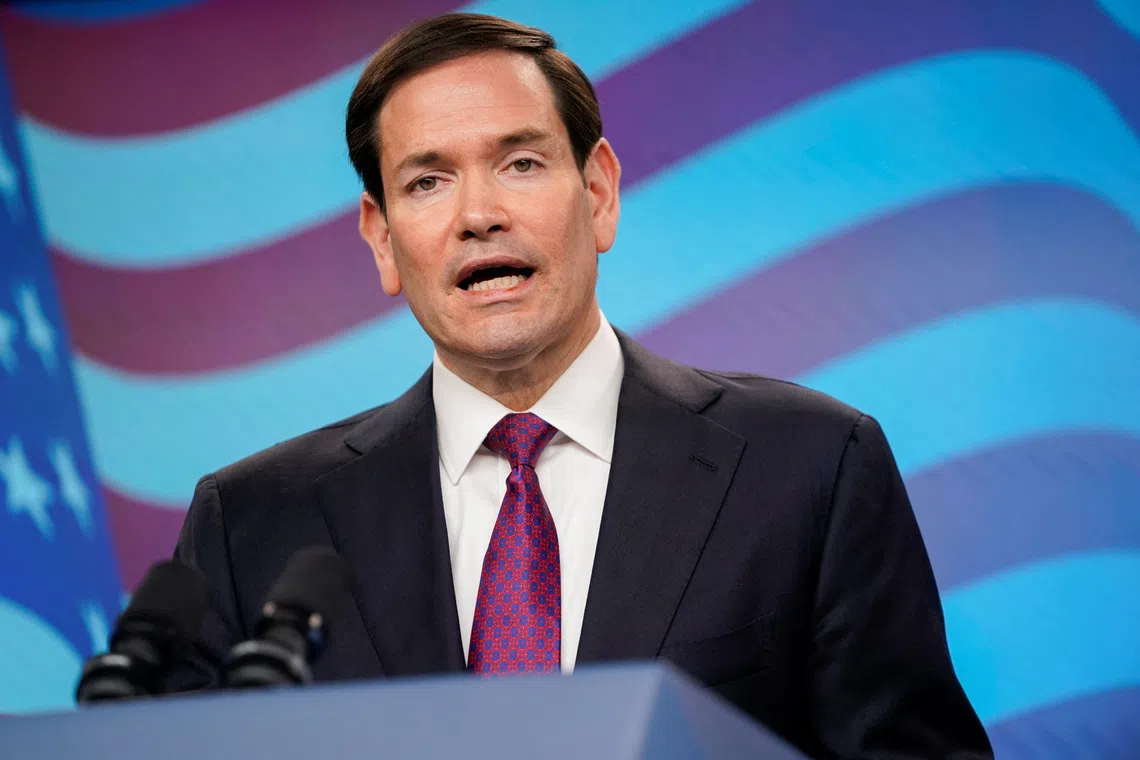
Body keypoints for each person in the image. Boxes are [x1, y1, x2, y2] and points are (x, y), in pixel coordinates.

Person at [172, 13, 992, 759]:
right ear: (382, 238)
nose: (478, 214)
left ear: (598, 192)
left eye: (520, 162)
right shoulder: (252, 527)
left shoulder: (811, 465)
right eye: (427, 182)